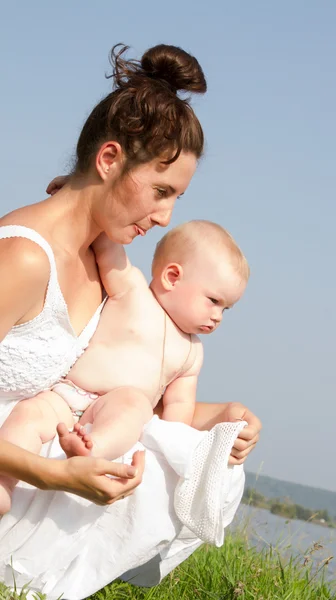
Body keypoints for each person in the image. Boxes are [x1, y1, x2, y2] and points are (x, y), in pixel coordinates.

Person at [0, 42, 261, 599]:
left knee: (203, 461)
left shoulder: (98, 261)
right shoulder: (23, 258)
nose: (166, 216)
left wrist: (225, 423)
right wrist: (49, 474)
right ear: (110, 159)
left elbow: (125, 390)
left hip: (43, 444)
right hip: (15, 461)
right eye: (161, 191)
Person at [0, 220, 249, 513]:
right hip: (66, 393)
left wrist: (174, 445)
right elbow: (107, 246)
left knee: (134, 405)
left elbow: (179, 405)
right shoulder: (132, 290)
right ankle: (4, 483)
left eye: (226, 309)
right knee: (27, 416)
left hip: (113, 410)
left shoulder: (192, 351)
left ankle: (91, 448)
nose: (218, 316)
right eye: (213, 301)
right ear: (172, 276)